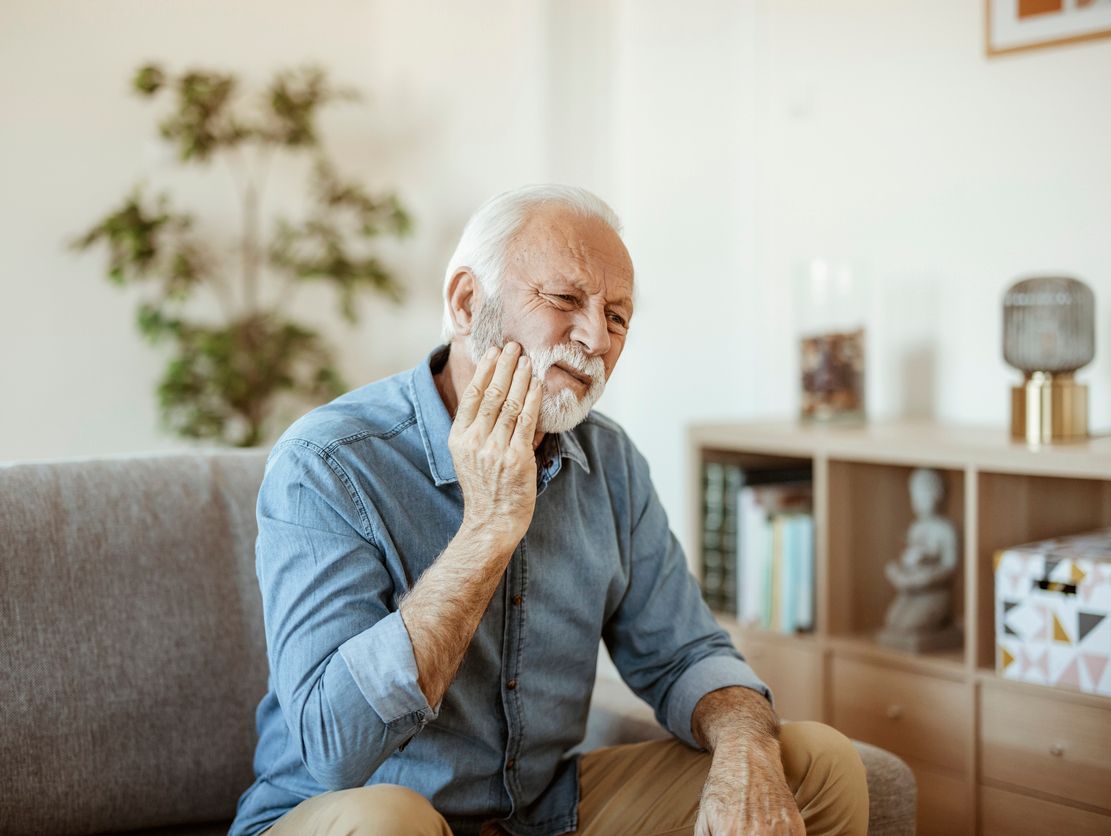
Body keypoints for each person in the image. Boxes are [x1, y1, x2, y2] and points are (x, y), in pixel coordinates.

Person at [230, 185, 868, 836]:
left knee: (815, 763)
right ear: (465, 302)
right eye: (564, 299)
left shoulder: (610, 463)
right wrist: (486, 531)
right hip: (347, 813)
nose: (594, 337)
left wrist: (745, 750)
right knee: (388, 822)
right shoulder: (329, 463)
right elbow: (332, 747)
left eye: (617, 317)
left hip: (539, 818)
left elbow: (682, 656)